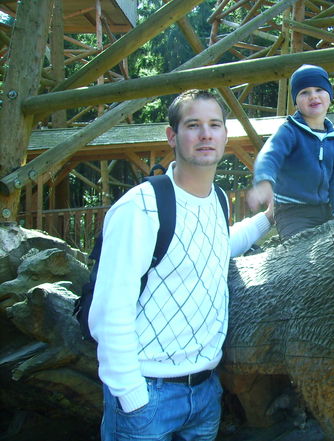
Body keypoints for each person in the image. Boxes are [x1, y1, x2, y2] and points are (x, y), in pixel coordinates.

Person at [89, 90, 273, 441]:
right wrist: (132, 397)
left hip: (205, 393)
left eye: (214, 125)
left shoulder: (217, 199)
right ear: (172, 136)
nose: (206, 134)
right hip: (147, 396)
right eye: (193, 125)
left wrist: (268, 219)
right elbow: (109, 310)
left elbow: (218, 247)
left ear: (224, 135)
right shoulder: (140, 207)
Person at [247, 64, 334, 240]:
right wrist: (264, 181)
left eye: (319, 89)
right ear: (296, 101)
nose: (313, 96)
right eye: (304, 92)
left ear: (330, 95)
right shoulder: (289, 131)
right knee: (301, 250)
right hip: (291, 211)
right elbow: (270, 155)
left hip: (325, 210)